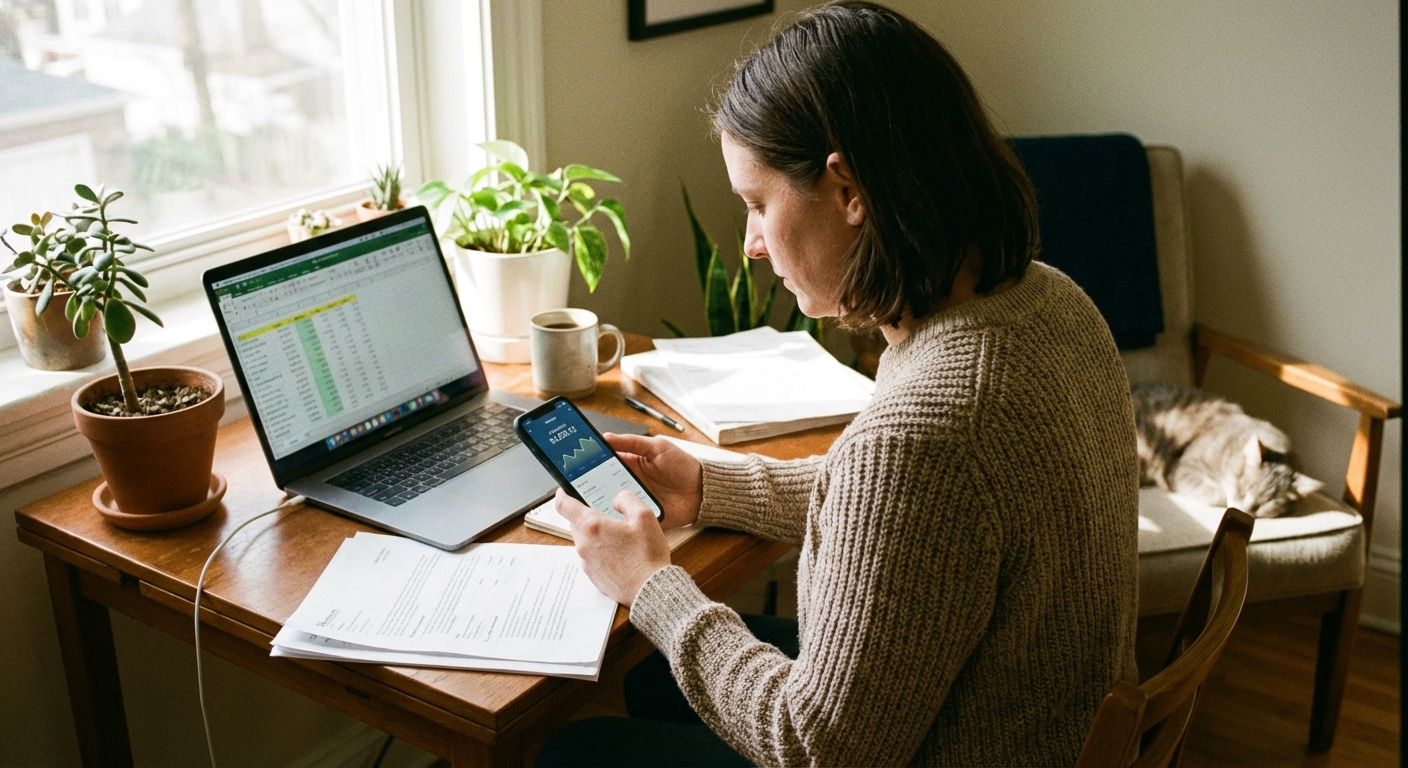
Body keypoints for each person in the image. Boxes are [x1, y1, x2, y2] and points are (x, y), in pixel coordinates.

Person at [536, 2, 1139, 765]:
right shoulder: (1050, 301)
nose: (751, 245)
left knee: (577, 752)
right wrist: (711, 485)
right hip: (1030, 716)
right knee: (656, 676)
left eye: (758, 204)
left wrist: (651, 583)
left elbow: (814, 745)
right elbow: (915, 522)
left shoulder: (920, 438)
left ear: (849, 189)